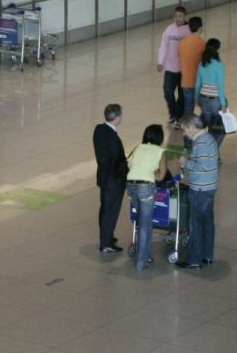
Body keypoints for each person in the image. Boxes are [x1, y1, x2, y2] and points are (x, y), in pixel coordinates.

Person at [179, 115, 220, 270]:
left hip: (200, 189)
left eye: (184, 130)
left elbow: (202, 166)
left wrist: (186, 162)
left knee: (195, 224)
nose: (184, 133)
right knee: (208, 223)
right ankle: (207, 255)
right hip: (210, 186)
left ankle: (194, 259)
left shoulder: (201, 142)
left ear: (191, 127)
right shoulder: (209, 138)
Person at [126, 123, 170, 269]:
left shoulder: (138, 147)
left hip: (131, 185)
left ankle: (147, 255)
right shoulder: (161, 151)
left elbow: (130, 166)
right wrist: (151, 174)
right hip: (146, 188)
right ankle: (141, 261)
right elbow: (161, 176)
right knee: (145, 224)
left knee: (141, 220)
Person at [93, 105, 128, 255]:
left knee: (105, 208)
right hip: (114, 180)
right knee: (111, 211)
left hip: (103, 177)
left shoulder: (99, 130)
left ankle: (106, 236)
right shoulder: (113, 138)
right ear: (117, 117)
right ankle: (106, 243)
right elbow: (116, 161)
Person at [157, 7, 190, 125]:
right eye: (175, 16)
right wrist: (160, 62)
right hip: (170, 68)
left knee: (182, 95)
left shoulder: (189, 30)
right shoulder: (169, 29)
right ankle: (174, 113)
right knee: (167, 91)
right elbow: (163, 46)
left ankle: (178, 116)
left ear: (185, 16)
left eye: (180, 16)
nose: (177, 18)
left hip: (184, 69)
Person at [195, 38, 228, 128]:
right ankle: (213, 141)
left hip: (203, 98)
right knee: (217, 126)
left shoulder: (201, 64)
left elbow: (198, 84)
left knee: (209, 124)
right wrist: (223, 104)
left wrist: (196, 98)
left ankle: (207, 140)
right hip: (215, 100)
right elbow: (220, 86)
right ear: (217, 50)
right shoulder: (219, 65)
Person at [177, 17, 207, 114]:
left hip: (185, 80)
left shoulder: (182, 42)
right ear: (200, 28)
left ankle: (187, 126)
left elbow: (179, 57)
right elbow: (205, 62)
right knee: (204, 106)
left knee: (188, 107)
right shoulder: (202, 43)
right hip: (198, 81)